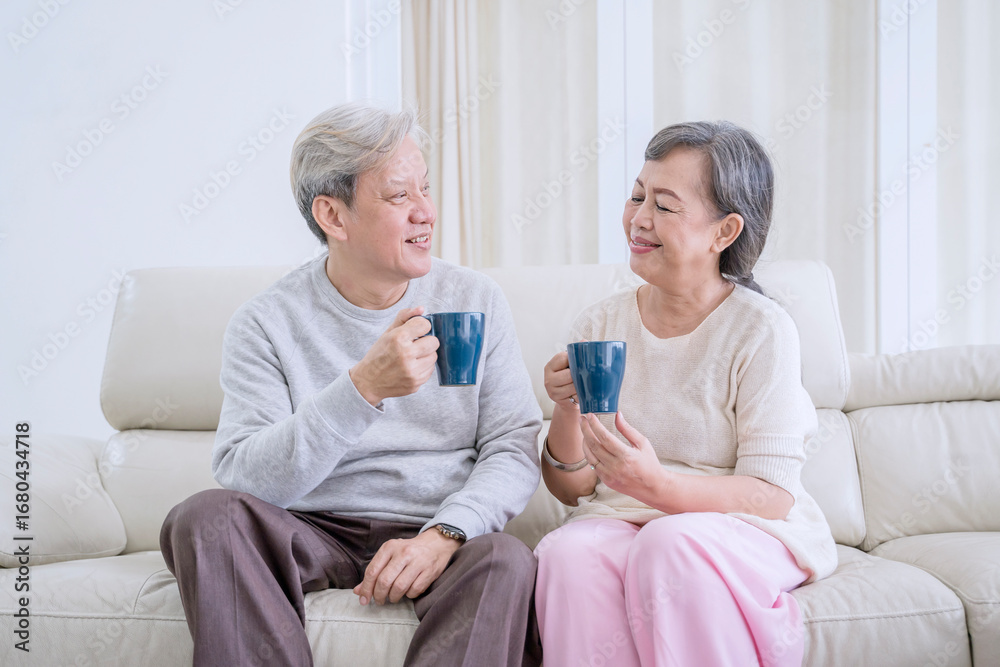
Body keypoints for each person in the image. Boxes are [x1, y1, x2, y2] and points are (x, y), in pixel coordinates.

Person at [160, 103, 544, 667]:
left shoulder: (474, 301)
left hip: (434, 523)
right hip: (311, 528)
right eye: (398, 197)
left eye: (426, 190)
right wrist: (361, 388)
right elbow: (245, 475)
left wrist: (444, 533)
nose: (426, 213)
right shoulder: (267, 323)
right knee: (205, 516)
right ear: (333, 217)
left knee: (506, 559)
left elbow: (512, 444)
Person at [535, 121, 837, 666]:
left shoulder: (760, 329)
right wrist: (565, 407)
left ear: (724, 232)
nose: (639, 218)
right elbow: (574, 487)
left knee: (668, 544)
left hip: (745, 529)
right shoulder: (599, 324)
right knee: (567, 552)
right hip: (625, 519)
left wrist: (659, 487)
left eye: (665, 206)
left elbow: (772, 495)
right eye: (636, 196)